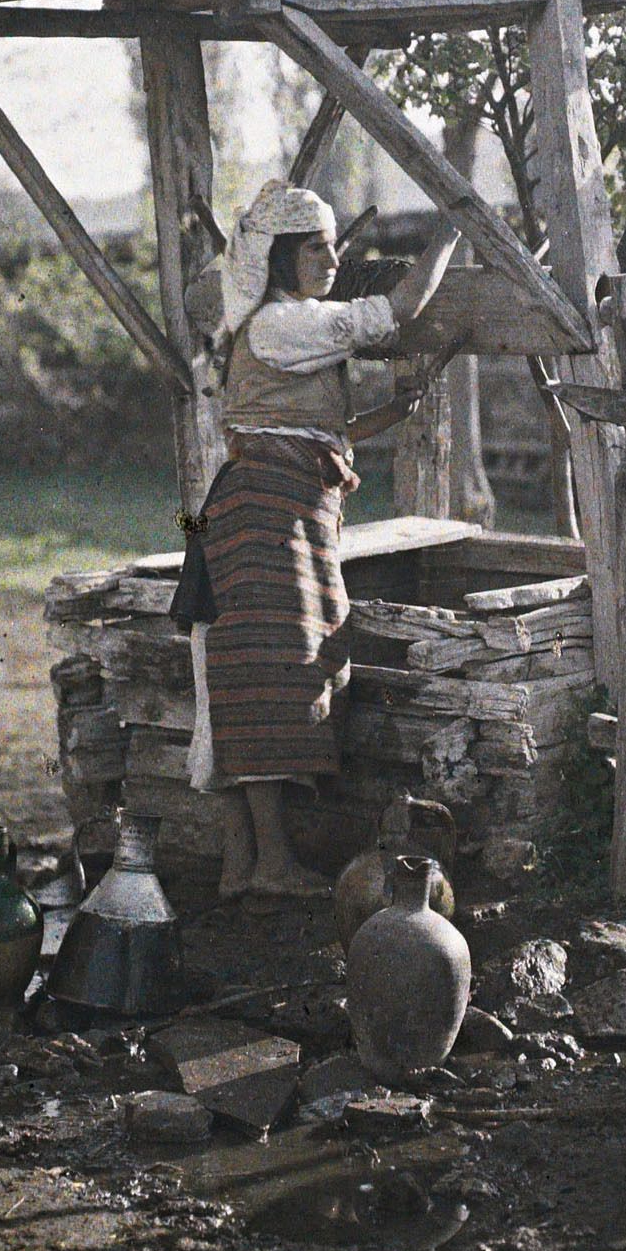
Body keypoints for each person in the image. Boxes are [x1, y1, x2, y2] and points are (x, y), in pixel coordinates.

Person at [174, 179, 461, 897]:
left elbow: (307, 429)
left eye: (334, 244)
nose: (331, 259)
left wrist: (386, 415)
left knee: (251, 676)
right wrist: (452, 230)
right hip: (264, 513)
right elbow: (399, 310)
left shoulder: (283, 326)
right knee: (277, 672)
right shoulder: (277, 323)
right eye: (314, 248)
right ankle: (271, 865)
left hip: (265, 507)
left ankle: (241, 866)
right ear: (275, 257)